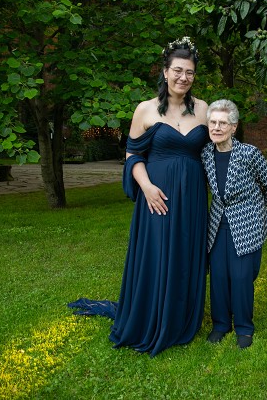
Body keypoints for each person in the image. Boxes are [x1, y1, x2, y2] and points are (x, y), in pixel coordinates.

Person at [69, 37, 209, 357]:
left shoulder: (203, 109)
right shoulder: (145, 109)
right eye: (177, 70)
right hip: (157, 197)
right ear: (165, 71)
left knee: (186, 254)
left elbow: (217, 149)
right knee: (157, 254)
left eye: (189, 72)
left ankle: (180, 318)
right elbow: (133, 154)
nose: (183, 77)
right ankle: (151, 315)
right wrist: (146, 187)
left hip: (192, 198)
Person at [201, 99, 267, 349]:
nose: (216, 127)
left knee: (242, 277)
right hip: (217, 226)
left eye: (223, 123)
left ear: (233, 127)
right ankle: (221, 324)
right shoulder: (206, 153)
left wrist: (256, 210)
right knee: (219, 277)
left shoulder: (249, 154)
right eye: (213, 122)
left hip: (246, 225)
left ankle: (244, 327)